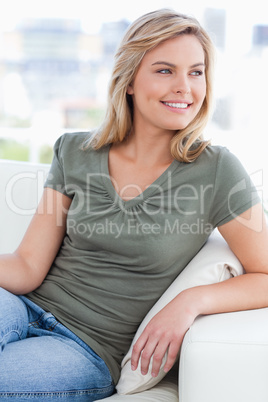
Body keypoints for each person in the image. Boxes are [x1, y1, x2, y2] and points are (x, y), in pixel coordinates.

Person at [0, 8, 268, 401]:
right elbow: (27, 268)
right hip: (19, 305)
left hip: (85, 347)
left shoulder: (216, 170)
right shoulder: (75, 150)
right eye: (165, 70)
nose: (185, 87)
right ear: (129, 80)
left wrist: (190, 302)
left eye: (196, 72)